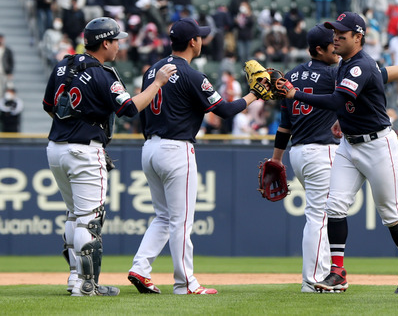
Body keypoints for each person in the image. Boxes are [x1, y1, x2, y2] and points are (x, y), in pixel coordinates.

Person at [285, 12, 398, 294]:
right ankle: (337, 272)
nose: (335, 38)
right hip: (349, 144)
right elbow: (381, 77)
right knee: (334, 206)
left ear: (358, 38)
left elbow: (336, 100)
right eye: (334, 33)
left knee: (390, 213)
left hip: (378, 146)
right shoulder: (346, 64)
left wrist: (296, 95)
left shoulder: (360, 65)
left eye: (341, 35)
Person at [127, 18, 267, 295]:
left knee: (164, 217)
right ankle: (185, 283)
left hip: (150, 148)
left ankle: (140, 268)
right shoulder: (192, 75)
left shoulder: (152, 70)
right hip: (175, 149)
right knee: (181, 221)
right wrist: (253, 95)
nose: (202, 40)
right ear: (193, 42)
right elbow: (225, 111)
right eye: (200, 37)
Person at [43, 17, 177, 296]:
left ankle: (73, 279)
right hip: (83, 149)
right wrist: (158, 83)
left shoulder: (62, 66)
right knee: (89, 219)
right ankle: (86, 285)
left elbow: (49, 106)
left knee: (73, 215)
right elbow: (130, 108)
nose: (119, 46)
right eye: (116, 40)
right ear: (105, 42)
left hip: (56, 148)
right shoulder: (104, 75)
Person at [269, 25, 340, 292]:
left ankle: (319, 276)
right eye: (332, 44)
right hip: (320, 151)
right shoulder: (333, 74)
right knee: (318, 217)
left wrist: (277, 159)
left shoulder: (291, 75)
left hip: (298, 152)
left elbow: (284, 124)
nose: (337, 47)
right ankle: (312, 280)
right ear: (319, 49)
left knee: (319, 216)